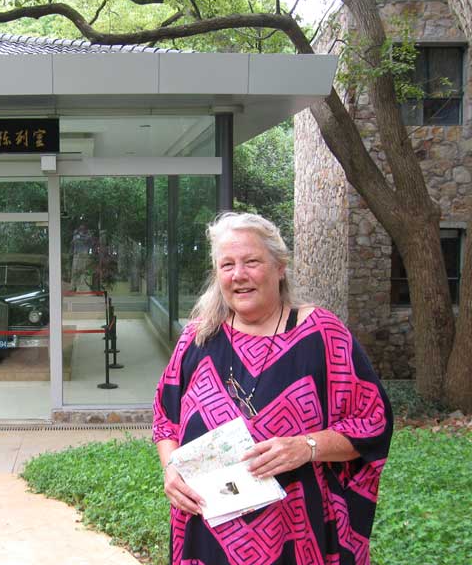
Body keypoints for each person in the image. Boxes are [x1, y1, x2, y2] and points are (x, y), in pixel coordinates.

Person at [153, 212, 392, 565]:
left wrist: (307, 447)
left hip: (296, 534)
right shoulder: (198, 338)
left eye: (252, 262)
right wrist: (171, 469)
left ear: (280, 267)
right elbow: (165, 417)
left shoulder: (321, 335)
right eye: (227, 265)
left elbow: (373, 421)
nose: (238, 275)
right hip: (206, 529)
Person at [70, 223, 93, 291]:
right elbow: (73, 243)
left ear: (85, 229)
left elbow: (89, 242)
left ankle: (82, 287)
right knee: (75, 271)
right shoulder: (76, 236)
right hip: (77, 255)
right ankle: (74, 286)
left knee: (83, 271)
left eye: (83, 229)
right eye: (81, 228)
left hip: (84, 255)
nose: (82, 230)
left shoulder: (88, 236)